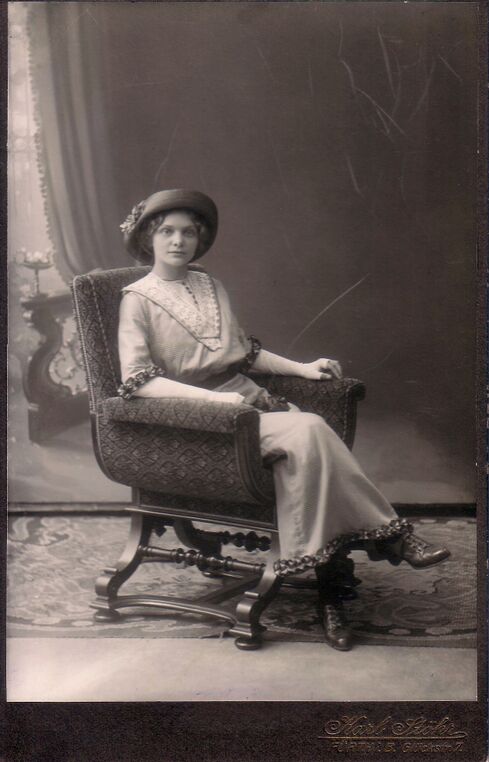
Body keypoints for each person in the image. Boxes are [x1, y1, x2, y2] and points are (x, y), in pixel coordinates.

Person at [117, 189, 450, 651]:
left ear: (199, 239)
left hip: (252, 405)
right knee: (311, 428)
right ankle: (391, 539)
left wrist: (303, 368)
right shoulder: (136, 300)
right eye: (167, 232)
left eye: (188, 232)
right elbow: (138, 381)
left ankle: (330, 589)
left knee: (310, 456)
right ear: (148, 238)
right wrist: (214, 402)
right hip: (202, 424)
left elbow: (244, 355)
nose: (178, 241)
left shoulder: (210, 286)